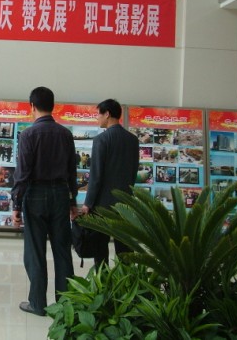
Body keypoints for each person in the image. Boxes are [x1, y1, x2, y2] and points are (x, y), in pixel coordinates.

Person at [11, 86, 78, 316]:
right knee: (62, 251)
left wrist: (16, 204)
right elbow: (72, 171)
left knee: (35, 251)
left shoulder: (28, 135)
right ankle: (66, 305)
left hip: (35, 195)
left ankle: (38, 303)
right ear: (53, 106)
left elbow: (22, 173)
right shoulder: (65, 134)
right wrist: (73, 202)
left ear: (32, 106)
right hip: (60, 194)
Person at [81, 99, 139, 267]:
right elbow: (133, 171)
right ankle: (126, 279)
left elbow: (96, 175)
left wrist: (88, 203)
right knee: (125, 249)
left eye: (98, 114)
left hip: (102, 205)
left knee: (100, 249)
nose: (97, 118)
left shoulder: (101, 140)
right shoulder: (132, 140)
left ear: (107, 114)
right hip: (125, 204)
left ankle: (103, 280)